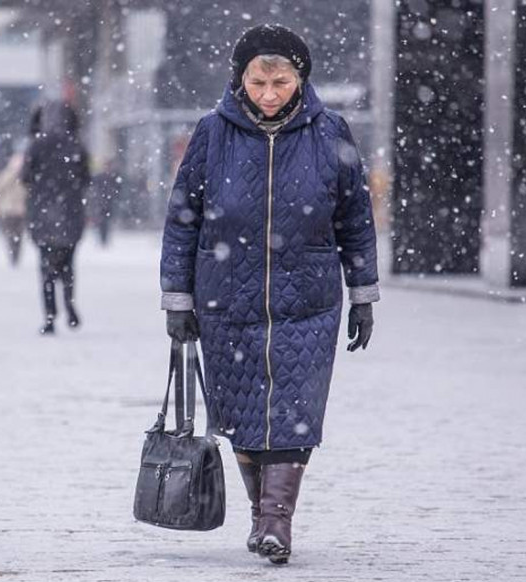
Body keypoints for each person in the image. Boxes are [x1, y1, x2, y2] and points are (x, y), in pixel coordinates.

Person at [159, 24, 380, 565]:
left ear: (299, 80)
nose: (268, 93)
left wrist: (363, 293)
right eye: (258, 81)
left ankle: (275, 521)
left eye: (280, 81)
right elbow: (182, 219)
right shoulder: (212, 133)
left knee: (294, 411)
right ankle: (265, 517)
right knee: (240, 415)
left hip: (308, 301)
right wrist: (177, 299)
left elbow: (355, 218)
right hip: (225, 299)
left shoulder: (331, 132)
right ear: (241, 79)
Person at [21, 101, 91, 335]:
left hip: (43, 214)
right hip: (70, 213)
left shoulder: (35, 146)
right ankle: (69, 303)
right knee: (68, 265)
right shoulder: (77, 145)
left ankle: (50, 317)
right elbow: (86, 179)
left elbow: (25, 178)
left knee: (46, 269)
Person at [0, 141, 28, 266]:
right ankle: (13, 255)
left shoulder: (23, 178)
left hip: (18, 210)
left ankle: (15, 255)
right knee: (11, 234)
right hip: (9, 210)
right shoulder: (7, 176)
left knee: (16, 234)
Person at [89, 160, 121, 247]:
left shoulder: (112, 177)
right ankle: (102, 239)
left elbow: (116, 190)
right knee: (101, 221)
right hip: (101, 202)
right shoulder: (101, 177)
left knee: (105, 222)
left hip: (108, 203)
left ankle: (104, 239)